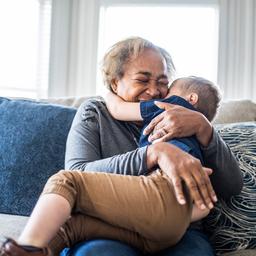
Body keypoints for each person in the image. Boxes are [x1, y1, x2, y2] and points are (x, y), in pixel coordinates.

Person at [0, 37, 243, 256]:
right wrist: (151, 154)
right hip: (112, 226)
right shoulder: (95, 112)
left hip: (180, 230)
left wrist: (204, 129)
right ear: (115, 84)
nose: (154, 90)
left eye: (162, 82)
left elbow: (231, 187)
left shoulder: (182, 117)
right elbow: (80, 171)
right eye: (142, 80)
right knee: (87, 243)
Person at [105, 75, 222, 221]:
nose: (160, 96)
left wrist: (109, 94)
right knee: (202, 207)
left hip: (164, 170)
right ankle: (175, 220)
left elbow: (118, 109)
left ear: (191, 98)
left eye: (169, 92)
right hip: (193, 175)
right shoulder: (202, 136)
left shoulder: (171, 105)